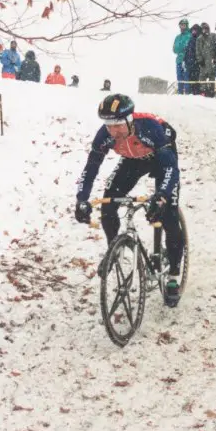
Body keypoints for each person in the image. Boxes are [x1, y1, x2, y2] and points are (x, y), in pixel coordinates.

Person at [74, 94, 184, 308]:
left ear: (129, 119)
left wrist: (161, 196)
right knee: (108, 203)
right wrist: (81, 199)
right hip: (133, 161)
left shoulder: (149, 128)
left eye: (117, 125)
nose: (113, 131)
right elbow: (90, 169)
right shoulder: (104, 136)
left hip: (162, 160)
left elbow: (171, 168)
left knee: (168, 213)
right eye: (108, 125)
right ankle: (113, 250)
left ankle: (172, 275)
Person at [196, 22, 216, 97]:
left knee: (211, 76)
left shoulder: (212, 36)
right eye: (203, 29)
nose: (205, 30)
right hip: (203, 61)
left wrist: (215, 58)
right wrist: (200, 60)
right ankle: (203, 91)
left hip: (211, 61)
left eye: (206, 29)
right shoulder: (199, 39)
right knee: (202, 76)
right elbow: (197, 51)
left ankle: (211, 91)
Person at [173, 19, 191, 94]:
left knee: (186, 77)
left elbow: (187, 47)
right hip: (179, 60)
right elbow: (174, 49)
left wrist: (181, 48)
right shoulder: (177, 37)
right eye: (181, 25)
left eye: (184, 25)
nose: (182, 27)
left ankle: (187, 93)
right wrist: (181, 48)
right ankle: (180, 93)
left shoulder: (189, 36)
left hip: (186, 60)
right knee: (179, 77)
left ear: (187, 25)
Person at [184, 24, 202, 96]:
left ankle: (197, 93)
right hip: (190, 64)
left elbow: (199, 52)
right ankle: (192, 92)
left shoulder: (199, 39)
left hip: (196, 64)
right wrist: (185, 60)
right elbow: (187, 51)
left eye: (195, 30)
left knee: (196, 79)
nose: (193, 31)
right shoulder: (191, 39)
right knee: (191, 79)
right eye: (193, 30)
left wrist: (198, 61)